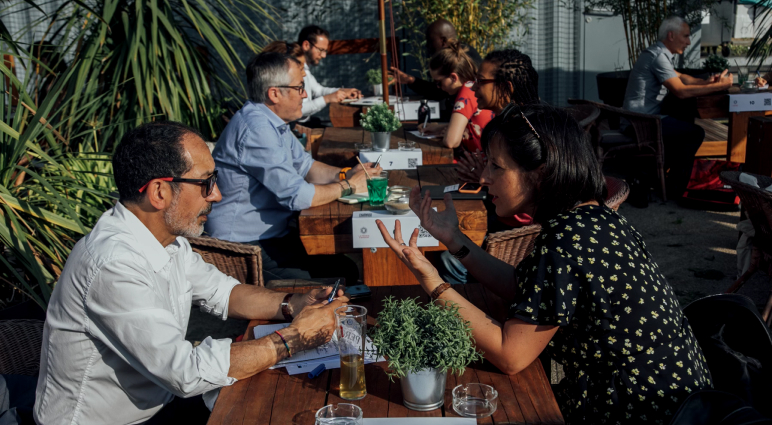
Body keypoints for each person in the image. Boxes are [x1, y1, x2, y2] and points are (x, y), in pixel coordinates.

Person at [376, 103, 712, 424]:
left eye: (497, 166)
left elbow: (511, 355)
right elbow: (524, 289)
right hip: (683, 395)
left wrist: (432, 280)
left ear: (540, 173)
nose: (485, 177)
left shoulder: (565, 242)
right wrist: (455, 239)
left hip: (641, 409)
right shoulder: (592, 216)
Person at [33, 121, 348, 425]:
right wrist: (294, 337)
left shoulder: (166, 241)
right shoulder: (113, 265)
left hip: (161, 405)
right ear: (159, 192)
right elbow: (184, 371)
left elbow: (225, 292)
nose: (217, 195)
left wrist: (294, 303)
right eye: (206, 182)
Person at [205, 52, 381, 285]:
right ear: (274, 93)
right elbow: (297, 196)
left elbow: (305, 165)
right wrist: (348, 186)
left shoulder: (270, 121)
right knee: (340, 278)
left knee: (345, 267)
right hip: (242, 246)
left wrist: (347, 173)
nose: (305, 94)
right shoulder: (257, 128)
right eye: (299, 87)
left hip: (271, 235)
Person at [623, 15, 732, 199]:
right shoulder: (658, 56)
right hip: (640, 123)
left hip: (643, 119)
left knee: (683, 126)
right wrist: (720, 86)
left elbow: (682, 77)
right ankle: (673, 185)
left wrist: (707, 82)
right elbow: (680, 91)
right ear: (671, 36)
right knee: (694, 133)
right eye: (686, 36)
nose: (689, 42)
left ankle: (656, 178)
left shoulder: (657, 53)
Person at [388, 19, 483, 121]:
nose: (427, 47)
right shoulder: (460, 57)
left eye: (430, 42)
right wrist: (411, 80)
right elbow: (440, 90)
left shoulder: (461, 61)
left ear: (442, 40)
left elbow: (439, 92)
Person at [418, 40, 495, 157]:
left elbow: (451, 141)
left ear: (454, 77)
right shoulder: (474, 86)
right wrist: (440, 127)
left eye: (439, 82)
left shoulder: (467, 90)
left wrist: (448, 133)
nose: (438, 87)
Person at [297, 25, 361, 127]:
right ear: (306, 45)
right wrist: (327, 99)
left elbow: (318, 90)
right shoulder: (294, 70)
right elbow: (299, 110)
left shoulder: (305, 70)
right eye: (321, 50)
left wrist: (343, 92)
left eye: (325, 51)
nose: (324, 55)